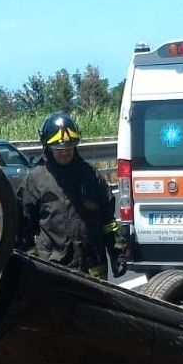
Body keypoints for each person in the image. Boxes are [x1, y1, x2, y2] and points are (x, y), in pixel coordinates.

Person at [18, 112, 125, 279]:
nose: (64, 153)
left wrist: (117, 253)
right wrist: (32, 262)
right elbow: (22, 226)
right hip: (54, 270)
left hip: (92, 267)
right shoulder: (36, 180)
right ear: (47, 147)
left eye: (69, 148)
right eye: (58, 150)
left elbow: (108, 221)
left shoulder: (91, 176)